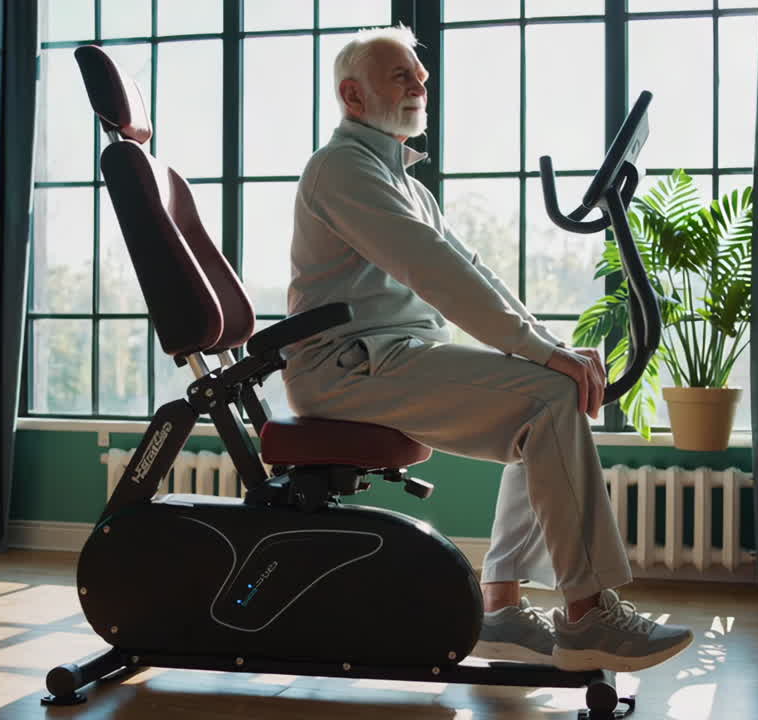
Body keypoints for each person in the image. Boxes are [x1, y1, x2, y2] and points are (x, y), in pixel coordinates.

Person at [281, 24, 693, 673]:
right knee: (548, 394)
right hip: (345, 367)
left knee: (544, 402)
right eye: (401, 76)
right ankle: (587, 615)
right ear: (353, 97)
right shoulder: (342, 168)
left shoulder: (406, 183)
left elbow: (470, 266)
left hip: (391, 357)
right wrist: (540, 354)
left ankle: (500, 608)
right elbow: (432, 269)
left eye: (421, 74)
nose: (420, 84)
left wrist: (547, 346)